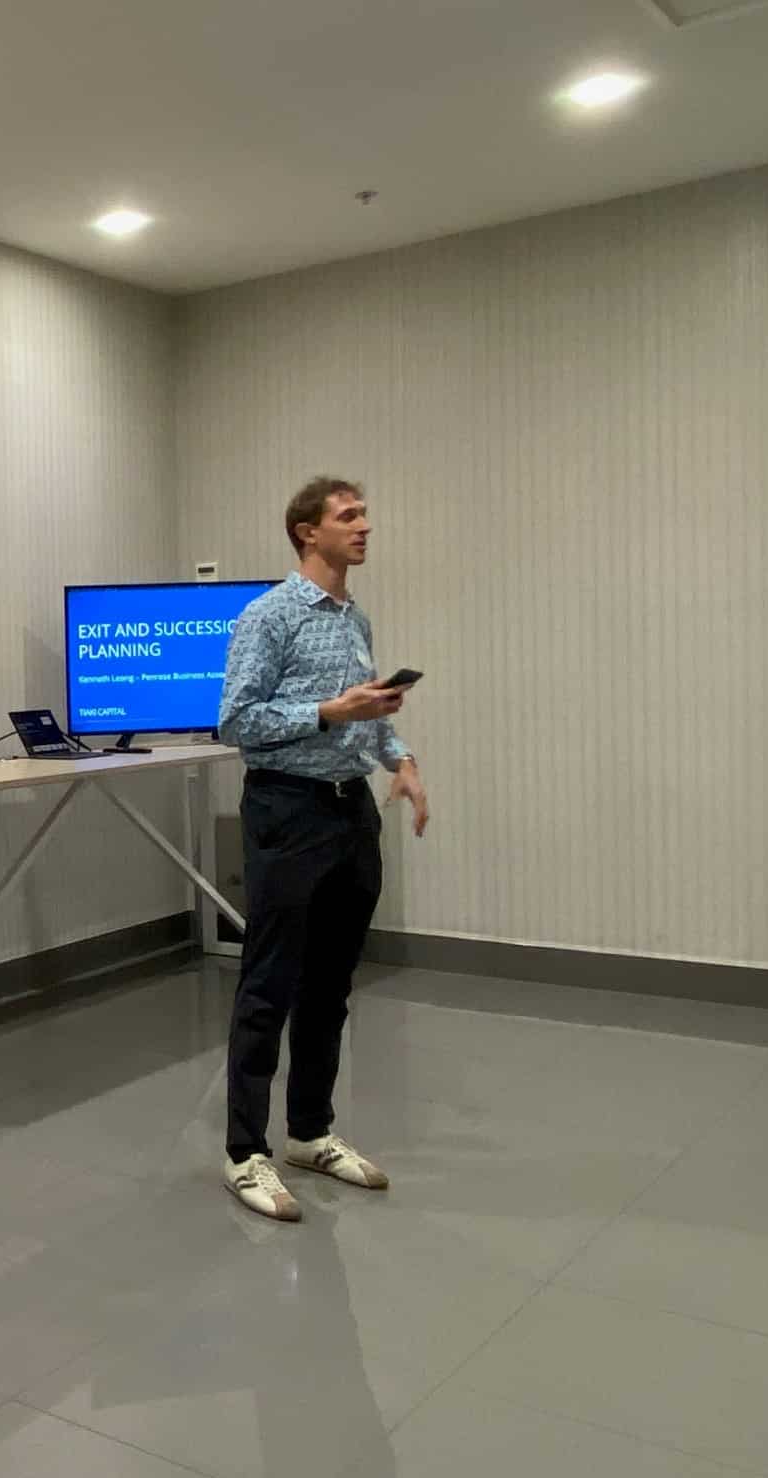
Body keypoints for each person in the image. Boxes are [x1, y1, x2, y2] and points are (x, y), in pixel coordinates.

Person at [215, 477, 429, 1223]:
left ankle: (308, 1133)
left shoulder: (353, 617)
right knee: (269, 983)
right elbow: (237, 720)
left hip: (349, 814)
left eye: (364, 514)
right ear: (308, 532)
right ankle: (245, 1152)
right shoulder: (269, 615)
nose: (365, 526)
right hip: (287, 811)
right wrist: (329, 711)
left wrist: (400, 757)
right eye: (349, 516)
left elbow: (364, 714)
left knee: (331, 983)